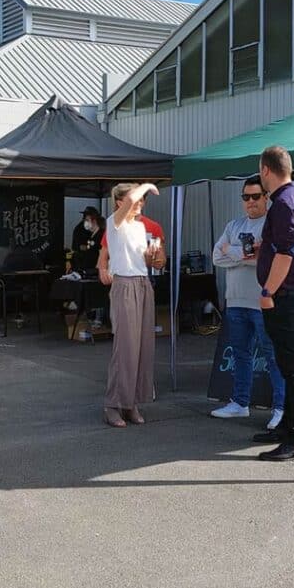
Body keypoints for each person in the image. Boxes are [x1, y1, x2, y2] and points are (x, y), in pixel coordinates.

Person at [253, 146, 294, 462]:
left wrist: (267, 291)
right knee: (289, 362)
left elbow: (285, 254)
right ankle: (289, 427)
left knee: (293, 365)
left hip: (285, 295)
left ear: (266, 170)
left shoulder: (282, 204)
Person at [209, 176, 285, 431]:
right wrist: (246, 254)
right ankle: (240, 403)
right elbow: (216, 257)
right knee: (240, 354)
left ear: (266, 197)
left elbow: (270, 261)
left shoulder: (273, 225)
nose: (250, 202)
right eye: (246, 197)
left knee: (272, 356)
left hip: (261, 300)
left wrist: (237, 253)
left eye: (255, 196)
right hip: (236, 300)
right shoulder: (234, 225)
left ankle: (281, 408)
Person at [99, 182, 166, 428]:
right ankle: (112, 404)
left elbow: (146, 261)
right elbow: (129, 203)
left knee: (141, 347)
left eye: (142, 199)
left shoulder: (139, 227)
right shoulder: (114, 223)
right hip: (124, 284)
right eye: (136, 199)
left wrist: (152, 253)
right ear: (119, 202)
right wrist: (146, 184)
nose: (140, 202)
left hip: (142, 282)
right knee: (125, 347)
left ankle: (130, 403)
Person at [70, 206, 104, 274]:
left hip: (93, 268)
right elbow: (80, 247)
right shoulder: (80, 229)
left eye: (87, 219)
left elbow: (101, 251)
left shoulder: (99, 234)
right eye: (85, 219)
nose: (85, 221)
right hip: (83, 264)